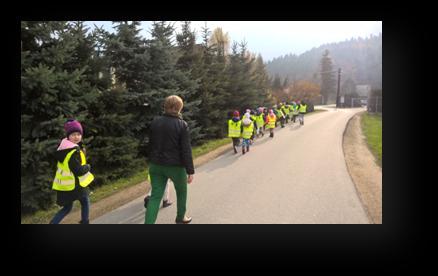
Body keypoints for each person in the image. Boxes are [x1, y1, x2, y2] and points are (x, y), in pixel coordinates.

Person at [145, 95, 194, 224]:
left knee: (155, 197)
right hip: (176, 166)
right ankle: (180, 218)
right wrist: (190, 170)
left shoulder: (155, 121)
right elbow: (186, 149)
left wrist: (151, 160)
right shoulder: (182, 124)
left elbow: (150, 144)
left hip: (156, 165)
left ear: (165, 107)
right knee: (181, 193)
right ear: (179, 108)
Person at [50, 119, 94, 224]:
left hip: (64, 185)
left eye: (79, 134)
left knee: (67, 208)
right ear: (68, 136)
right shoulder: (73, 151)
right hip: (75, 184)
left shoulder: (63, 148)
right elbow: (78, 170)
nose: (76, 137)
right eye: (73, 134)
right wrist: (88, 167)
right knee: (85, 201)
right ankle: (85, 222)